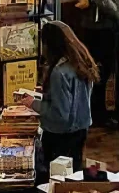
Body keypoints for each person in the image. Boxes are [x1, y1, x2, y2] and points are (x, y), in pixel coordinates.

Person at [37, 20, 97, 172]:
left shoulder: (59, 72)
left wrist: (33, 103)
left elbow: (60, 114)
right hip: (80, 130)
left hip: (60, 136)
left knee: (58, 177)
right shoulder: (80, 63)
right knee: (74, 173)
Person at [82, 0, 119, 126]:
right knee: (103, 72)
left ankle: (96, 113)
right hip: (101, 26)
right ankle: (100, 115)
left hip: (92, 25)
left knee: (96, 71)